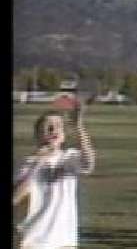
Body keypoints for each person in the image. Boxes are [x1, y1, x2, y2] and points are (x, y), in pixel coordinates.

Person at [13, 100, 96, 249]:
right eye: (48, 127)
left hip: (64, 241)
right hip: (34, 241)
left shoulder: (69, 158)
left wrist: (79, 128)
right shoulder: (28, 163)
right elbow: (16, 198)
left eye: (58, 126)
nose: (53, 130)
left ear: (63, 136)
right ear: (38, 135)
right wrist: (38, 162)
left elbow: (88, 164)